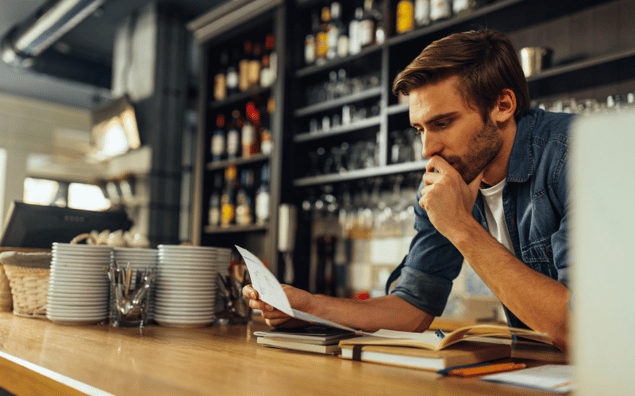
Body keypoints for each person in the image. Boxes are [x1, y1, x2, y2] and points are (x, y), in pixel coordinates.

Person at [243, 29, 572, 352]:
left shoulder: (576, 156)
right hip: (538, 374)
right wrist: (309, 307)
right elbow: (412, 306)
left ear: (502, 105)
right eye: (420, 129)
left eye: (442, 123)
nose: (428, 149)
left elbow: (581, 326)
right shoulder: (444, 177)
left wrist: (460, 225)